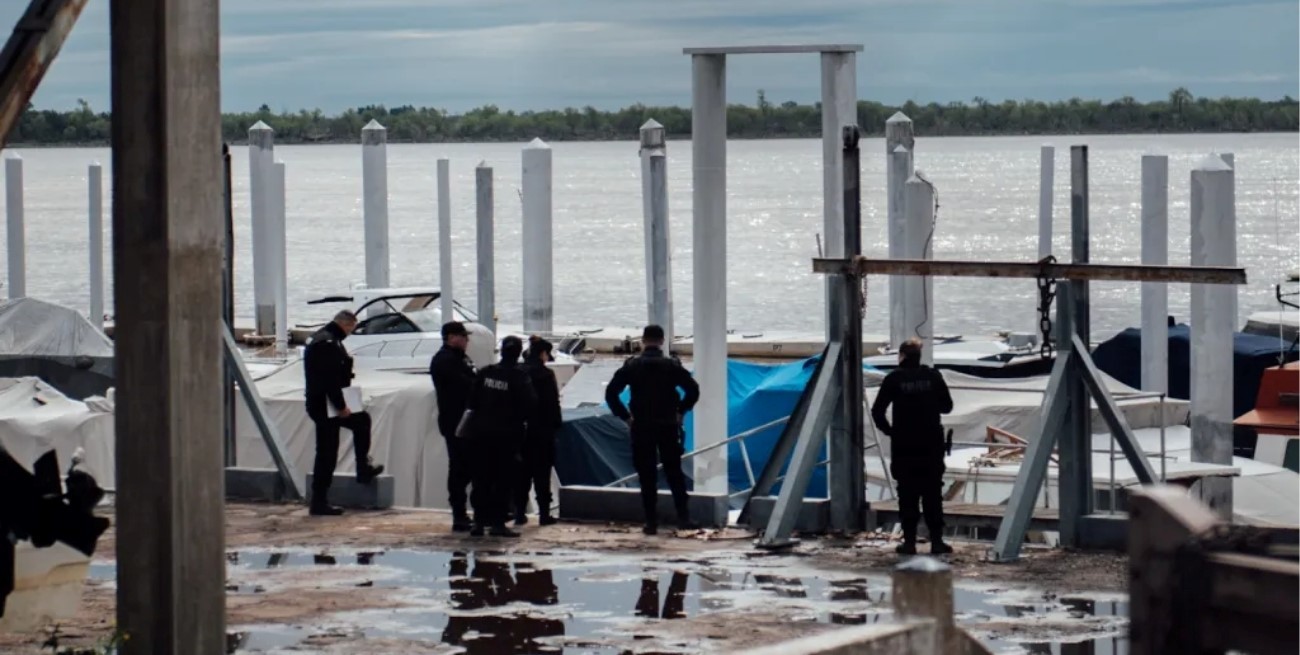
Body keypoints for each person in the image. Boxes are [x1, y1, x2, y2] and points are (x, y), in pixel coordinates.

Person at [604, 325, 700, 535]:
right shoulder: (672, 366)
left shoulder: (632, 366)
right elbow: (693, 390)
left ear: (643, 341)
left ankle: (651, 522)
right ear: (662, 341)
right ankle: (683, 518)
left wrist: (626, 417)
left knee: (646, 475)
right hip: (667, 425)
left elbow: (611, 393)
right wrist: (681, 411)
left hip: (641, 426)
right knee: (674, 473)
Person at [870, 338, 955, 555]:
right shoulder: (933, 377)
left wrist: (891, 432)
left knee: (907, 493)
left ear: (901, 357)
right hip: (931, 445)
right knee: (932, 493)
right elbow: (947, 407)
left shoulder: (893, 379)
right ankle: (936, 541)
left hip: (904, 445)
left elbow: (877, 412)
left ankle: (909, 542)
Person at [303, 310, 384, 516]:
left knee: (362, 422)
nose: (351, 332)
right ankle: (319, 501)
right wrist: (340, 406)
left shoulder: (324, 338)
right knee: (327, 452)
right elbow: (329, 379)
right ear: (346, 324)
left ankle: (362, 467)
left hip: (324, 402)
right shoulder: (327, 343)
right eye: (351, 328)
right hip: (326, 405)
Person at [464, 335, 536, 537]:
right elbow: (530, 404)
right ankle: (497, 523)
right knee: (503, 479)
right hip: (507, 435)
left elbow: (472, 401)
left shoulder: (486, 373)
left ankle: (478, 522)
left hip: (481, 434)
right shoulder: (519, 377)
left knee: (481, 479)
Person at [430, 321, 478, 531]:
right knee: (459, 468)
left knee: (471, 466)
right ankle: (459, 513)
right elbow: (465, 385)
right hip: (455, 421)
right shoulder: (445, 360)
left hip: (467, 420)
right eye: (463, 337)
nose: (467, 341)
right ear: (451, 337)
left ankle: (474, 511)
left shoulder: (460, 358)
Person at [514, 336, 564, 526]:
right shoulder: (546, 375)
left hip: (519, 431)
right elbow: (553, 403)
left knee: (520, 474)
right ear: (543, 354)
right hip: (542, 431)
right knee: (542, 474)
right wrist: (556, 425)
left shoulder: (518, 372)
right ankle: (544, 514)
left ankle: (520, 513)